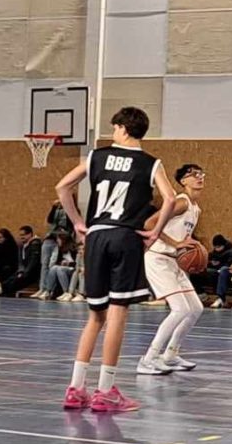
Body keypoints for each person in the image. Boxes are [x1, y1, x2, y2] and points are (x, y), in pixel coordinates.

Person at [55, 106, 176, 413]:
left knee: (95, 316)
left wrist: (78, 222)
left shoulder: (96, 156)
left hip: (97, 236)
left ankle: (75, 388)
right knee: (117, 314)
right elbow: (170, 198)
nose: (112, 133)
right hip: (125, 236)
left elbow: (62, 187)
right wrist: (155, 232)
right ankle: (106, 390)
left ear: (123, 128)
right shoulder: (151, 163)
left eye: (114, 128)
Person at [138, 164, 206, 376]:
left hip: (173, 261)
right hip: (158, 258)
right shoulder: (181, 202)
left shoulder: (195, 208)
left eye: (201, 174)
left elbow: (181, 236)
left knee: (196, 308)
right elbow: (149, 223)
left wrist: (192, 245)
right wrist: (175, 244)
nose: (199, 177)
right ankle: (148, 359)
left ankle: (170, 355)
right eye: (193, 175)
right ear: (183, 181)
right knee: (180, 309)